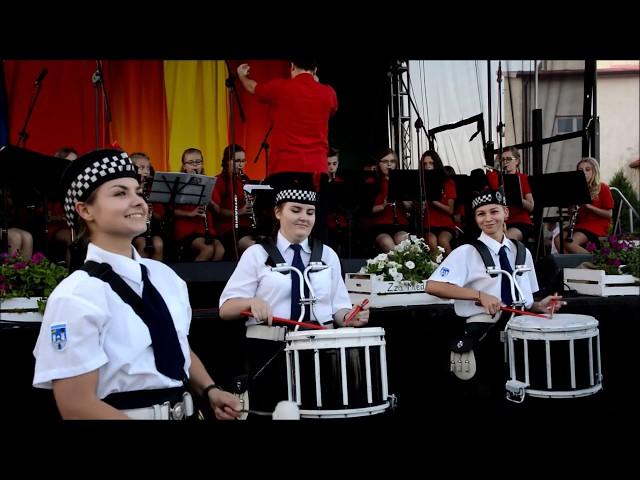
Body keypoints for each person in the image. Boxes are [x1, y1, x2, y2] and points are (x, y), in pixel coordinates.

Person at [32, 149, 240, 420]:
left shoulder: (165, 278)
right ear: (84, 209)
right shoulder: (76, 295)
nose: (139, 202)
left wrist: (210, 389)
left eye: (137, 192)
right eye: (120, 193)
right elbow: (76, 405)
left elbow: (176, 345)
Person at [218, 179, 369, 415]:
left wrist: (350, 317)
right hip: (270, 354)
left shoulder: (327, 255)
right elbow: (226, 309)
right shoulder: (256, 254)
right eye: (295, 210)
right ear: (278, 212)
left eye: (310, 212)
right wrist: (251, 302)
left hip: (321, 353)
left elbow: (338, 309)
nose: (304, 218)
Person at [426, 187, 564, 395]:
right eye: (481, 214)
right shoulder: (467, 251)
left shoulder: (521, 251)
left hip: (520, 334)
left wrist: (537, 305)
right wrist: (479, 295)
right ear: (475, 218)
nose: (488, 219)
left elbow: (522, 297)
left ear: (506, 213)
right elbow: (433, 286)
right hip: (485, 335)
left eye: (494, 211)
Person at [236, 59, 338, 242]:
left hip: (285, 166)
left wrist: (242, 76)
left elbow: (253, 88)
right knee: (315, 218)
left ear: (291, 66)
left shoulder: (281, 87)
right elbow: (331, 108)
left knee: (286, 216)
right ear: (315, 69)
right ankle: (318, 263)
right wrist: (316, 84)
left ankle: (283, 261)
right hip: (315, 168)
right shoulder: (328, 92)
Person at [173, 148, 225, 261]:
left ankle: (211, 277)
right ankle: (193, 278)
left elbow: (218, 211)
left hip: (207, 229)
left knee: (220, 250)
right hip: (187, 229)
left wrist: (210, 201)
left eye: (198, 162)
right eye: (190, 162)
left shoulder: (210, 182)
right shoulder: (178, 184)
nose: (195, 165)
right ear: (184, 166)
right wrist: (189, 214)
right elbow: (170, 211)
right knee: (207, 249)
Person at [554, 157, 614, 254]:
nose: (584, 172)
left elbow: (609, 214)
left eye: (588, 169)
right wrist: (572, 209)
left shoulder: (602, 187)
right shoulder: (576, 190)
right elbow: (572, 214)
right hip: (580, 225)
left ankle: (594, 264)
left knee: (570, 243)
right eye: (580, 170)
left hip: (596, 225)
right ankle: (572, 266)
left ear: (594, 171)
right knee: (557, 240)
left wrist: (589, 206)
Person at [210, 144, 259, 257]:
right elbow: (217, 212)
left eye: (243, 161)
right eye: (237, 161)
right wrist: (240, 212)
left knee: (266, 243)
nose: (241, 164)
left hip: (246, 228)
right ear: (227, 162)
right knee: (253, 247)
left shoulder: (245, 180)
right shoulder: (219, 181)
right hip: (228, 230)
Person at [362, 148, 412, 253]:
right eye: (385, 161)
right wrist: (383, 205)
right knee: (387, 243)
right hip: (379, 226)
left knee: (403, 241)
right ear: (378, 164)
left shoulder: (402, 181)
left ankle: (403, 268)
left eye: (392, 161)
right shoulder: (371, 182)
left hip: (399, 224)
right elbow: (365, 210)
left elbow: (410, 208)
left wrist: (404, 199)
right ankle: (397, 268)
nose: (389, 165)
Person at [487, 147, 535, 242]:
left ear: (517, 161)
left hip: (520, 222)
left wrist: (518, 198)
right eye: (502, 159)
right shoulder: (498, 179)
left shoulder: (522, 178)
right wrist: (496, 165)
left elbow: (531, 206)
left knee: (506, 239)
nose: (505, 162)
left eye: (508, 159)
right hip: (500, 222)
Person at [130, 152, 164, 261]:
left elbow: (160, 217)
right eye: (142, 168)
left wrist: (152, 212)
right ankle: (140, 274)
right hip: (133, 230)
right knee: (143, 245)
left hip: (151, 229)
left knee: (158, 244)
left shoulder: (152, 190)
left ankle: (156, 276)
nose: (146, 171)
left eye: (148, 168)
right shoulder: (129, 190)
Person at [421, 150, 457, 257]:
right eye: (425, 164)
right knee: (432, 242)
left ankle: (454, 269)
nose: (428, 166)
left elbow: (450, 210)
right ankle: (434, 271)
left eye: (431, 163)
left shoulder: (448, 182)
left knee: (443, 241)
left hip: (446, 224)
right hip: (428, 225)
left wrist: (434, 202)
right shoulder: (420, 182)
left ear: (436, 164)